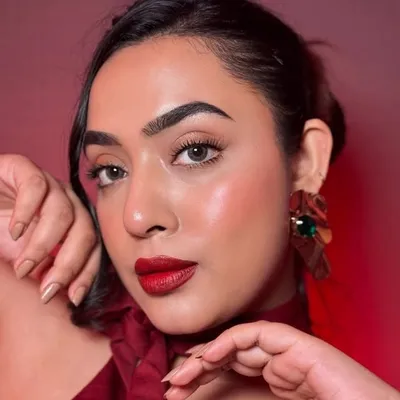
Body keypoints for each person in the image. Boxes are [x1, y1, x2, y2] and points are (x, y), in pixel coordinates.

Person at [0, 0, 398, 399]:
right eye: (111, 171)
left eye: (195, 151)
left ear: (306, 162)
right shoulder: (35, 324)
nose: (136, 216)